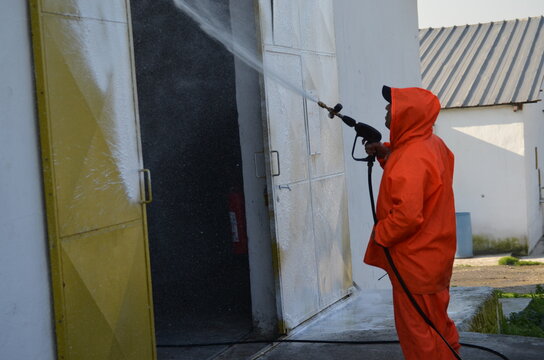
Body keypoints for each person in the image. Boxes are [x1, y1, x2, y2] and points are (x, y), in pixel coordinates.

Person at [364, 86, 461, 359]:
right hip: (433, 254)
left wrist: (380, 234)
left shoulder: (411, 157)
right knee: (437, 322)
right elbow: (417, 178)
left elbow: (407, 216)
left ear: (406, 114)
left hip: (415, 261)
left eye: (390, 107)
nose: (386, 111)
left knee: (418, 330)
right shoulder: (430, 144)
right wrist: (385, 152)